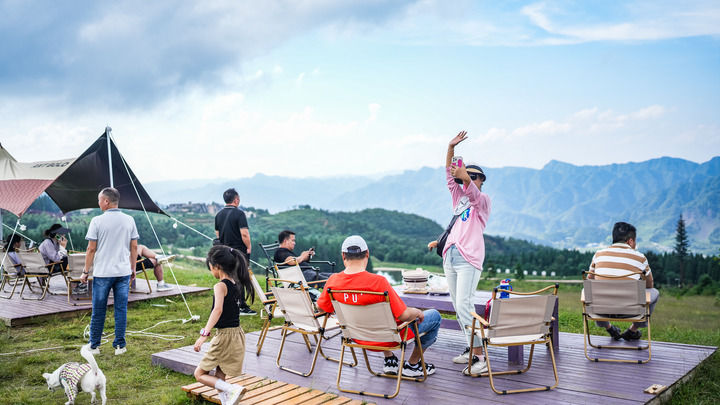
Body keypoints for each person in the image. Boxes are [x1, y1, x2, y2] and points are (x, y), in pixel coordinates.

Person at [317, 235, 442, 378]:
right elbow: (403, 315)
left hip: (356, 337)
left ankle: (389, 358)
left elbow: (322, 308)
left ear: (343, 256)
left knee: (376, 318)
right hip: (389, 338)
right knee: (435, 316)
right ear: (367, 254)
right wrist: (417, 312)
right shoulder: (378, 282)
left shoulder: (333, 281)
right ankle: (413, 365)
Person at [428, 130, 491, 376]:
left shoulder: (482, 201)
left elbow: (473, 194)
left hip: (468, 259)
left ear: (480, 180)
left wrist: (465, 177)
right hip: (450, 257)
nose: (469, 179)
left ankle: (480, 357)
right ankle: (470, 348)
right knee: (458, 305)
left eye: (474, 176)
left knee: (465, 304)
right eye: (467, 174)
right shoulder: (459, 199)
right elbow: (449, 174)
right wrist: (450, 148)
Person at [80, 187, 138, 356]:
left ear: (106, 201)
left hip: (103, 273)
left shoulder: (97, 221)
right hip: (123, 272)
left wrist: (85, 271)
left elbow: (91, 249)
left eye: (99, 200)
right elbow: (134, 247)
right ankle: (120, 346)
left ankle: (94, 346)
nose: (98, 203)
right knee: (121, 309)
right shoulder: (129, 220)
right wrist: (133, 268)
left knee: (98, 310)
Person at [193, 245, 253, 405]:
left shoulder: (220, 286)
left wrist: (204, 335)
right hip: (236, 334)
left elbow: (217, 310)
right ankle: (227, 401)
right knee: (220, 374)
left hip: (225, 336)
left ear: (217, 267)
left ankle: (232, 389)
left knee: (199, 374)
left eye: (210, 268)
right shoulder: (236, 283)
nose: (211, 271)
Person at [588, 221, 660, 341]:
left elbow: (590, 281)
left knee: (590, 291)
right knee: (654, 292)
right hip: (631, 311)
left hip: (602, 310)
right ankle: (633, 330)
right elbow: (649, 285)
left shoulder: (598, 255)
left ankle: (610, 328)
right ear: (630, 241)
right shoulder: (640, 257)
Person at [215, 188, 256, 316]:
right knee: (241, 277)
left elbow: (217, 234)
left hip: (224, 250)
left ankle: (232, 303)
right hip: (239, 251)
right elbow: (244, 234)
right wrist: (249, 247)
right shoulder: (239, 214)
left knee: (229, 277)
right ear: (236, 200)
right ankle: (241, 306)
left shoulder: (218, 215)